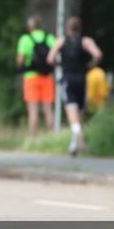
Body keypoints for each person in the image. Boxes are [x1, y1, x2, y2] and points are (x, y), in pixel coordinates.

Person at [47, 16, 103, 156]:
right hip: (82, 78)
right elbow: (98, 54)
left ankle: (77, 135)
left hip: (68, 78)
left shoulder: (61, 40)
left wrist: (59, 65)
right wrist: (90, 65)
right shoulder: (86, 41)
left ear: (68, 28)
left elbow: (50, 58)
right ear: (80, 27)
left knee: (71, 111)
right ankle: (75, 145)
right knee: (78, 113)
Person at [15, 16, 56, 136]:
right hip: (47, 76)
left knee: (33, 110)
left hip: (31, 77)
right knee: (48, 109)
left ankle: (33, 139)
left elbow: (21, 60)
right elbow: (54, 57)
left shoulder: (25, 39)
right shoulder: (49, 37)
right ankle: (51, 138)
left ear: (29, 26)